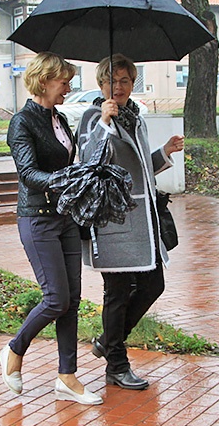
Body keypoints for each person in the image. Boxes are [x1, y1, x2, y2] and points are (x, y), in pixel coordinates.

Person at [75, 54, 184, 391]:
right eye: (112, 80)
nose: (118, 87)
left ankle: (108, 341)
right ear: (100, 84)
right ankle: (116, 366)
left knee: (153, 285)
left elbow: (139, 171)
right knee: (117, 293)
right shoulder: (94, 117)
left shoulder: (136, 118)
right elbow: (88, 161)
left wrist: (164, 151)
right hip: (113, 220)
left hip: (143, 219)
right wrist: (105, 125)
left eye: (125, 81)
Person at [0, 52, 101, 405]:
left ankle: (67, 377)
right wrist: (66, 178)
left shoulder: (58, 118)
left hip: (65, 217)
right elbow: (28, 174)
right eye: (63, 82)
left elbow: (67, 160)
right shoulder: (22, 122)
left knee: (71, 301)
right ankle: (14, 349)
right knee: (55, 298)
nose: (68, 88)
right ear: (44, 82)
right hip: (38, 218)